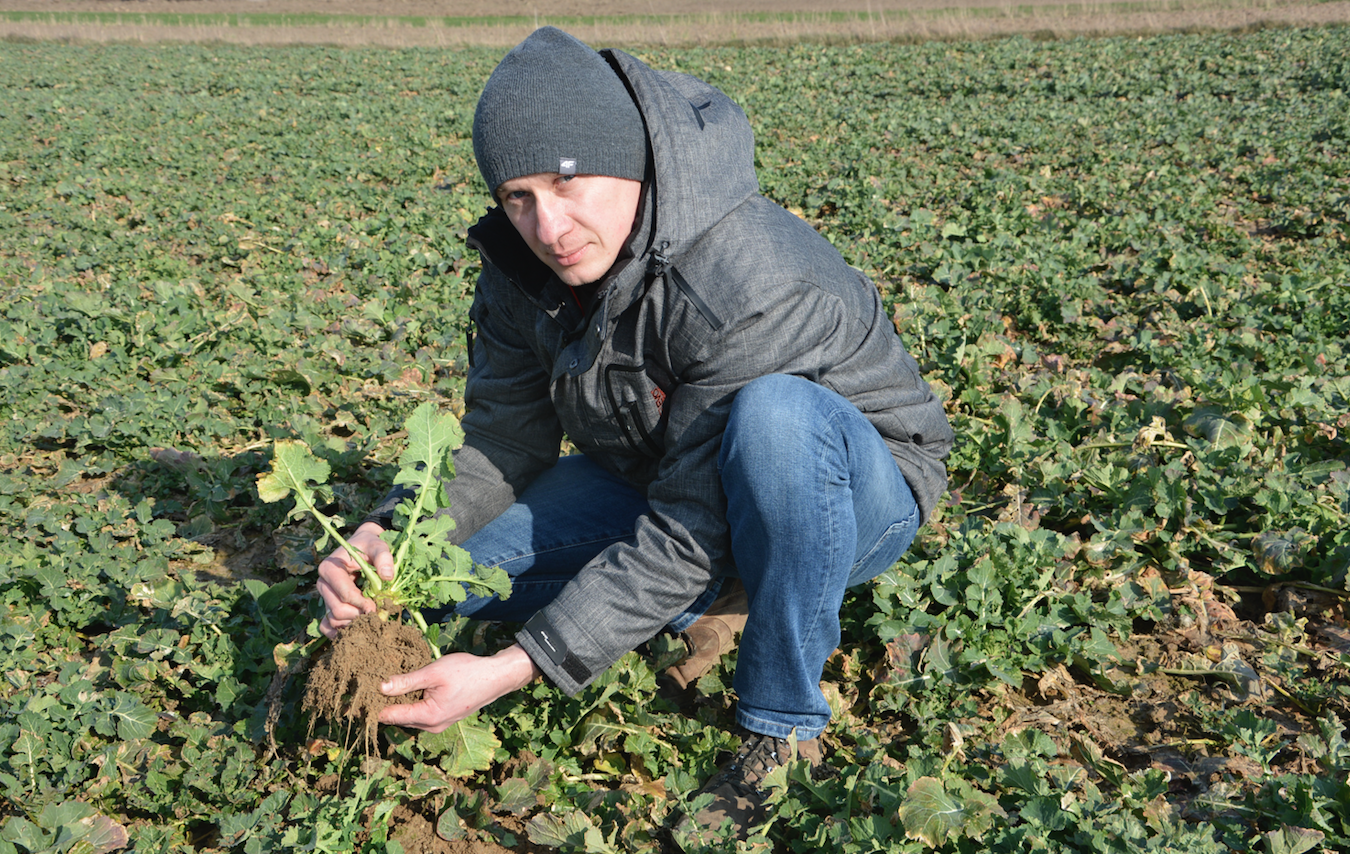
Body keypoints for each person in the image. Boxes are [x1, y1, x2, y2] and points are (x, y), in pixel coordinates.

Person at [317, 26, 953, 844]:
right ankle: (698, 602)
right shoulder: (521, 270)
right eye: (519, 197)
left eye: (568, 181)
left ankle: (782, 727)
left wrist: (516, 669)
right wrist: (385, 534)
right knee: (457, 570)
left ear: (633, 162)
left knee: (775, 422)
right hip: (661, 474)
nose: (549, 225)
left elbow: (690, 529)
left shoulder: (745, 276)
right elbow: (503, 441)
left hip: (845, 496)